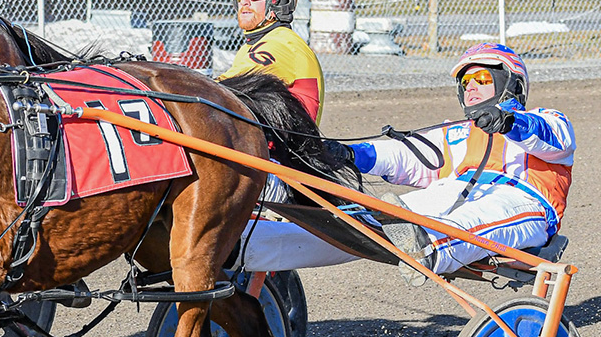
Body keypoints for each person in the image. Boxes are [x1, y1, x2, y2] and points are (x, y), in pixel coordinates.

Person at [237, 42, 575, 284]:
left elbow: (552, 139)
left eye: (483, 80)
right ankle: (245, 246)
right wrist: (351, 154)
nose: (471, 89)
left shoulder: (545, 119)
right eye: (467, 83)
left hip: (522, 203)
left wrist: (510, 121)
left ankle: (428, 245)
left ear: (510, 84)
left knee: (474, 217)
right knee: (350, 225)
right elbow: (408, 156)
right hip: (452, 193)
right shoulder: (459, 133)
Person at [217, 0, 325, 125]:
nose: (244, 1)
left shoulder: (281, 44)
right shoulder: (253, 45)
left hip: (283, 150)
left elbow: (221, 89)